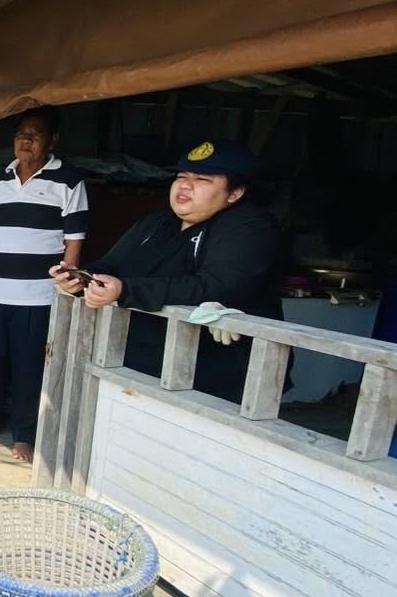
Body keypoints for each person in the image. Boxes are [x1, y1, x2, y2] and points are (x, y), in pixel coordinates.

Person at [50, 138, 284, 402]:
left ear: (235, 193)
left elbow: (214, 285)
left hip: (211, 375)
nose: (185, 185)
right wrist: (80, 279)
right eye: (181, 176)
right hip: (136, 362)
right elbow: (111, 265)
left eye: (202, 179)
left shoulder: (249, 227)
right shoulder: (158, 223)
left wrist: (125, 290)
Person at [0, 108, 88, 463]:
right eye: (21, 134)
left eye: (35, 134)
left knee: (28, 367)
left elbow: (74, 242)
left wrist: (65, 284)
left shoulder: (68, 181)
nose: (26, 140)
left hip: (37, 297)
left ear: (52, 141)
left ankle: (24, 435)